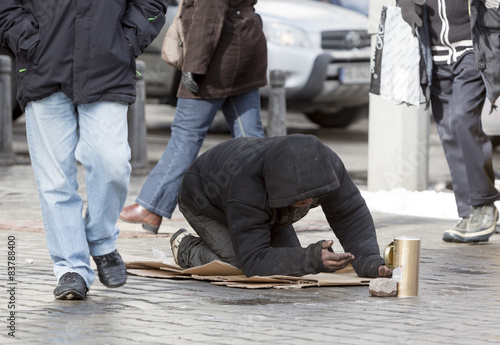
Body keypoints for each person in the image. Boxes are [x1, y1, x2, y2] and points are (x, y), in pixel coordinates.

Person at [0, 0, 168, 299]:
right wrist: (27, 39)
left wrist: (127, 41)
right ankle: (71, 267)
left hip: (108, 66)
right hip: (44, 66)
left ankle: (101, 241)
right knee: (55, 179)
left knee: (112, 164)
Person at [120, 0, 268, 234]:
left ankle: (151, 206)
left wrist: (194, 66)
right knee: (250, 139)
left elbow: (208, 15)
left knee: (185, 136)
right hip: (244, 49)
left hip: (216, 60)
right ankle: (264, 211)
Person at [169, 134, 392, 278]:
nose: (305, 205)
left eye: (311, 199)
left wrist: (369, 261)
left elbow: (350, 215)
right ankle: (187, 248)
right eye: (298, 200)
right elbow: (254, 261)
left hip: (266, 208)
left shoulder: (325, 165)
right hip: (202, 200)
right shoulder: (246, 185)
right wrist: (311, 258)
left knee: (289, 268)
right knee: (238, 264)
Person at [400, 0, 500, 243]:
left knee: (461, 119)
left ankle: (484, 205)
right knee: (447, 130)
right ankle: (469, 213)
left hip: (472, 50)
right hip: (434, 53)